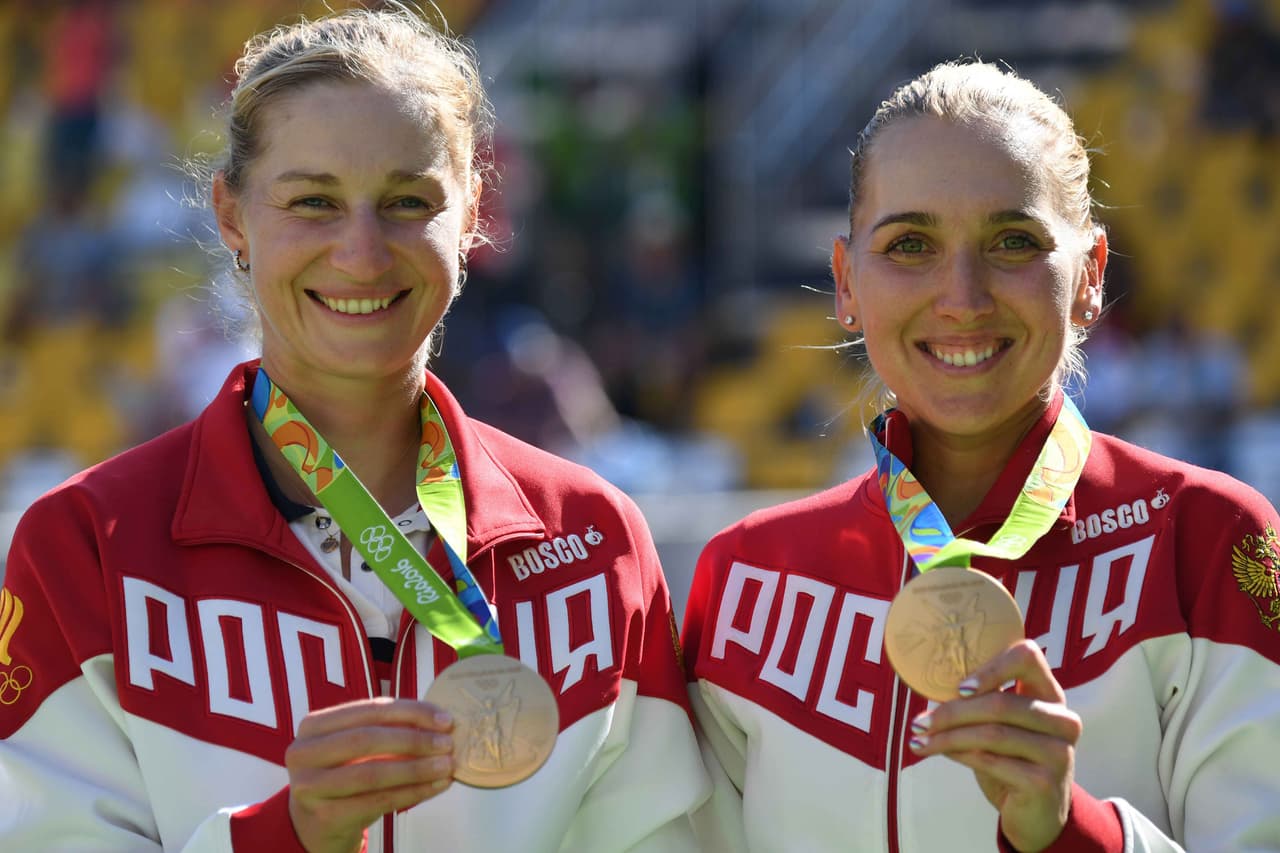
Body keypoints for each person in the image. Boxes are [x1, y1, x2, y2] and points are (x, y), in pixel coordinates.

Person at [0, 6, 708, 852]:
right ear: (232, 215)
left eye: (407, 201)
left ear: (472, 210)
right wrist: (286, 835)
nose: (362, 253)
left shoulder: (594, 543)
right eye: (313, 202)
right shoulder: (86, 549)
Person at [682, 59, 1280, 852]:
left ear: (1090, 276)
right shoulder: (746, 579)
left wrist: (1072, 829)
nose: (962, 295)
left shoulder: (1208, 541)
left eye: (1012, 240)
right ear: (845, 281)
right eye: (910, 244)